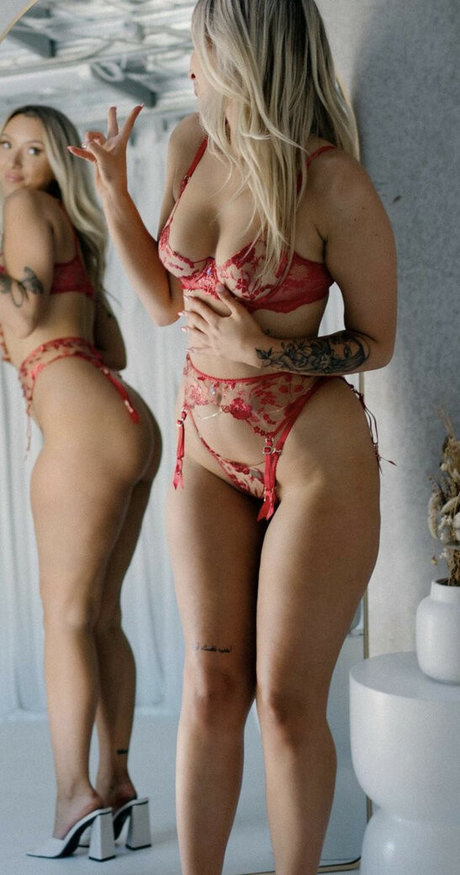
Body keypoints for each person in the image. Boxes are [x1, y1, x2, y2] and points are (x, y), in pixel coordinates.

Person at [71, 0, 397, 871]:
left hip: (313, 454)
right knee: (212, 687)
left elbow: (377, 340)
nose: (190, 59)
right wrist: (113, 196)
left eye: (203, 42)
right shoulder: (190, 144)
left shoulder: (331, 182)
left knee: (285, 702)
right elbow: (164, 303)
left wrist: (267, 351)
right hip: (207, 448)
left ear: (249, 51)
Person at [0, 104, 161, 860]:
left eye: (32, 149)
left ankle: (74, 798)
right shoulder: (72, 230)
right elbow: (113, 349)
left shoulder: (24, 211)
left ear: (57, 161)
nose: (12, 162)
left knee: (65, 617)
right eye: (4, 145)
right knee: (100, 615)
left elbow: (25, 307)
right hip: (126, 419)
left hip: (84, 431)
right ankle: (117, 785)